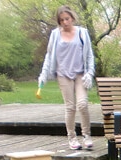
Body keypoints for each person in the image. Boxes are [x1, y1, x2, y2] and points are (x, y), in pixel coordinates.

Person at [38, 5, 95, 150]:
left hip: (80, 74)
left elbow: (89, 55)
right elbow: (49, 55)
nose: (65, 22)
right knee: (70, 107)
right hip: (63, 74)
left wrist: (90, 73)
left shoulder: (82, 33)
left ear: (72, 18)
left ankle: (87, 136)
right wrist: (43, 74)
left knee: (82, 104)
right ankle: (72, 138)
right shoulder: (55, 34)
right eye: (61, 20)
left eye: (67, 19)